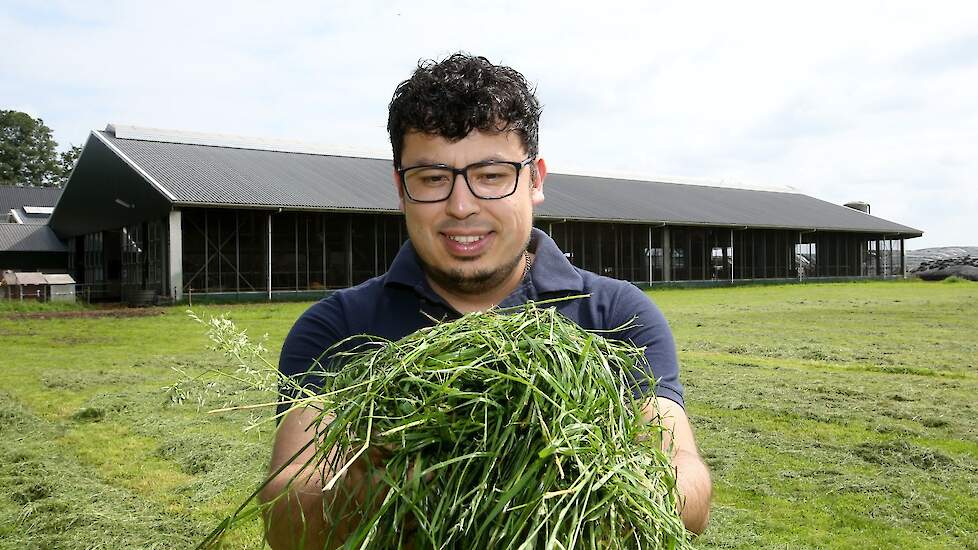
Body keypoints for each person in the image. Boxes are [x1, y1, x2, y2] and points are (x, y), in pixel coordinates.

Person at [260, 53, 712, 549]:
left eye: (492, 175)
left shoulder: (613, 315)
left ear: (535, 179)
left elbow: (686, 485)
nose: (461, 206)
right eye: (432, 178)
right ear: (400, 188)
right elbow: (287, 516)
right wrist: (376, 490)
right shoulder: (338, 328)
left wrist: (588, 486)